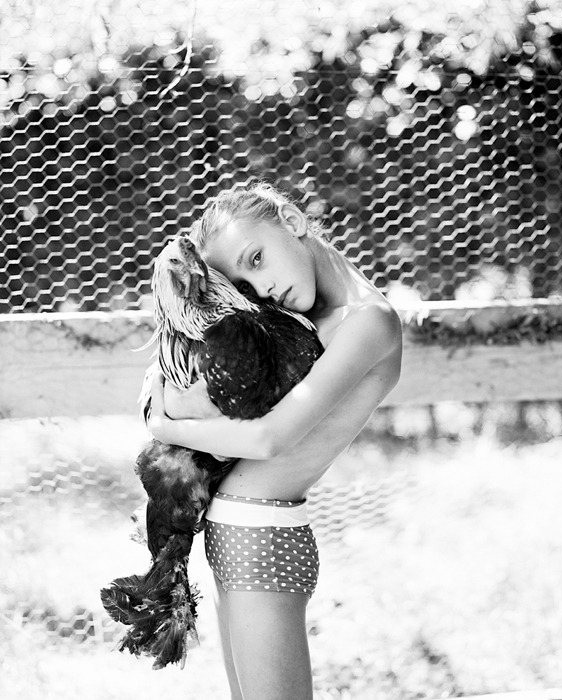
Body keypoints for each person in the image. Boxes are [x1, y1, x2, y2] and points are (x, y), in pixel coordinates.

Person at [149, 182, 402, 700]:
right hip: (231, 530)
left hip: (263, 534)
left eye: (257, 258)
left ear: (292, 220)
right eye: (244, 282)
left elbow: (269, 438)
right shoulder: (294, 321)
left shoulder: (369, 322)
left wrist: (165, 427)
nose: (261, 288)